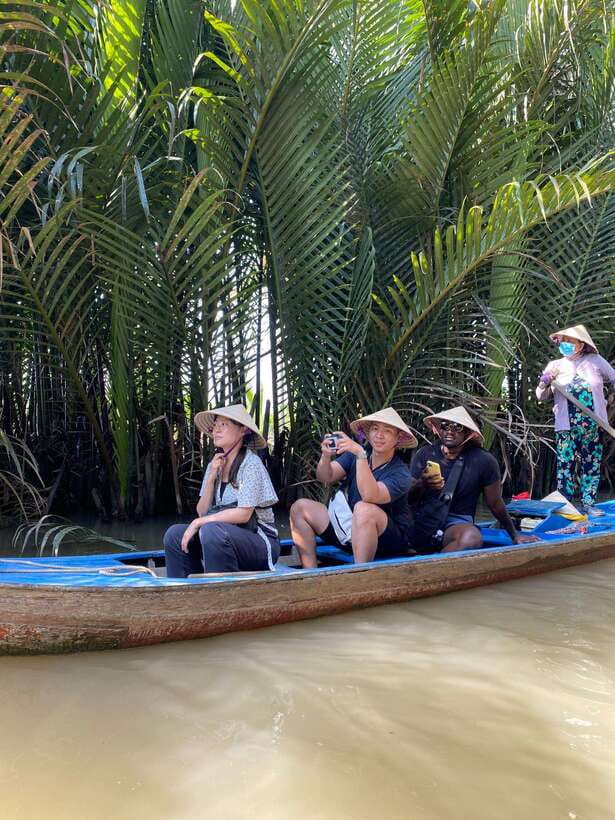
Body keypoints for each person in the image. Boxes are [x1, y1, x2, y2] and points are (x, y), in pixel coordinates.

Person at [289, 407, 416, 567]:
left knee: (364, 509)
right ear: (368, 433)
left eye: (388, 431)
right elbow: (325, 477)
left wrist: (360, 454)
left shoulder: (401, 473)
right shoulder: (357, 454)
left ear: (398, 438)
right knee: (300, 507)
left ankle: (359, 573)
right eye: (375, 429)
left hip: (388, 542)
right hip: (349, 530)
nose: (379, 435)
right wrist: (326, 456)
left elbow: (370, 495)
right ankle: (310, 573)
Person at [163, 405, 280, 576]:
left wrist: (198, 523)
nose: (216, 430)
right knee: (174, 534)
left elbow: (243, 514)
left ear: (243, 430)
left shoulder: (251, 464)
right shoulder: (214, 464)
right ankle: (186, 587)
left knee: (211, 530)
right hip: (222, 535)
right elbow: (202, 511)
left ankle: (219, 589)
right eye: (215, 425)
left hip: (260, 540)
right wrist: (211, 478)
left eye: (223, 425)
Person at [408, 407, 538, 553]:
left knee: (471, 538)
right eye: (445, 426)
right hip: (424, 518)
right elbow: (407, 497)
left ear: (468, 433)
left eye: (457, 427)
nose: (450, 431)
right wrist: (422, 483)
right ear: (438, 429)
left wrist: (514, 535)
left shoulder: (484, 461)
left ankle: (433, 565)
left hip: (456, 522)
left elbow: (495, 503)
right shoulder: (425, 454)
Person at [536, 324, 615, 516]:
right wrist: (545, 382)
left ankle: (588, 504)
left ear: (581, 344)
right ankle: (565, 505)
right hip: (565, 426)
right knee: (565, 465)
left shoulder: (595, 361)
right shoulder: (555, 366)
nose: (565, 344)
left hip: (593, 425)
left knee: (591, 464)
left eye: (570, 341)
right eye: (563, 341)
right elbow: (540, 396)